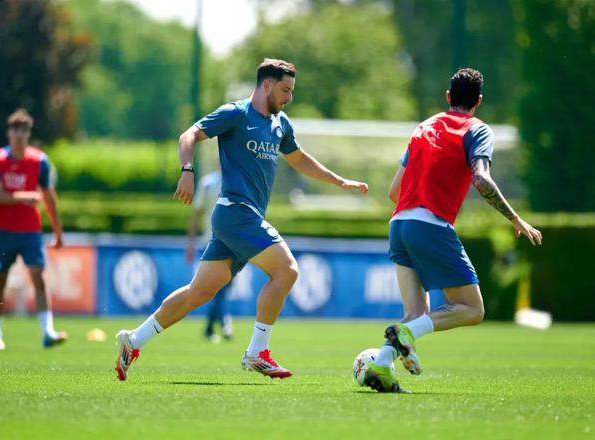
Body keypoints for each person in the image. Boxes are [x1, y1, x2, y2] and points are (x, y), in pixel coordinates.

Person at [115, 58, 369, 381]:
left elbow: (299, 159)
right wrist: (187, 171)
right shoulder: (235, 113)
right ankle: (256, 352)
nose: (289, 97)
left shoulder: (281, 124)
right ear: (267, 85)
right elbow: (188, 136)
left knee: (199, 292)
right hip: (236, 212)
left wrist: (339, 181)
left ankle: (133, 340)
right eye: (285, 90)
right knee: (287, 270)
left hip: (238, 219)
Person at [366, 68, 543, 392]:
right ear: (479, 101)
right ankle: (405, 335)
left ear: (448, 97)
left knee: (415, 314)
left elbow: (394, 191)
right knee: (472, 310)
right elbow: (481, 179)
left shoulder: (424, 127)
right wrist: (515, 218)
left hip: (399, 223)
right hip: (430, 225)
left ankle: (380, 366)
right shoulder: (477, 130)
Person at [0, 109, 66, 350]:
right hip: (2, 230)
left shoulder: (40, 161)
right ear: (8, 132)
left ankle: (47, 332)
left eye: (23, 130)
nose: (19, 134)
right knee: (0, 280)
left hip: (30, 231)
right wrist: (25, 196)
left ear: (29, 133)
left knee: (39, 277)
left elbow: (49, 196)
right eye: (15, 129)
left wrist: (58, 231)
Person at [185, 169, 234, 343]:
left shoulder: (212, 182)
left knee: (221, 287)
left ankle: (212, 326)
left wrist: (191, 243)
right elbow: (197, 214)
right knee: (219, 287)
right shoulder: (209, 183)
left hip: (223, 242)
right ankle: (224, 322)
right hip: (214, 242)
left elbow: (196, 215)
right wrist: (191, 243)